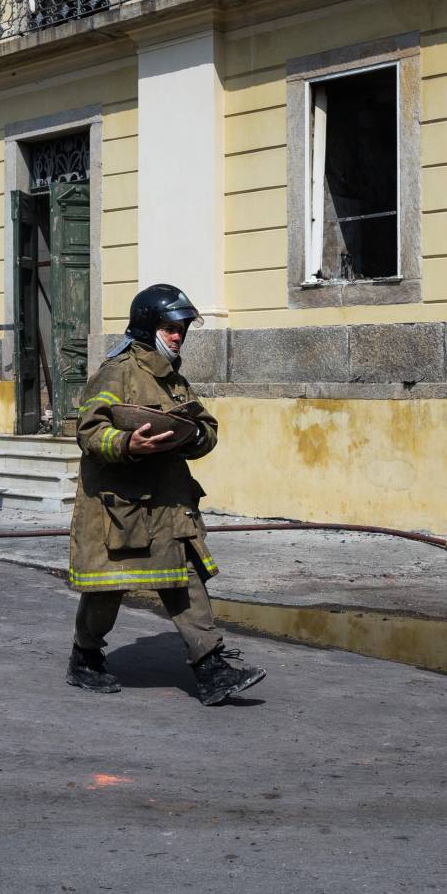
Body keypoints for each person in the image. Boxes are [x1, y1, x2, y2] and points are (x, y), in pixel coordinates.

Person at [65, 284, 266, 706]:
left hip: (169, 504)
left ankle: (210, 668)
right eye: (169, 328)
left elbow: (205, 426)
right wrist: (126, 444)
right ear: (147, 326)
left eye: (182, 329)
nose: (177, 336)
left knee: (184, 579)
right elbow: (88, 432)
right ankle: (85, 658)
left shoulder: (174, 378)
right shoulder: (116, 372)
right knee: (106, 589)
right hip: (120, 510)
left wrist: (192, 437)